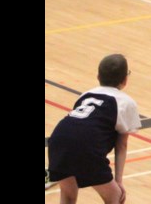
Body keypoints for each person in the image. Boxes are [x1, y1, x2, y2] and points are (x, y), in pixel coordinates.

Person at [46, 54, 141, 204]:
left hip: (57, 140)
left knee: (68, 195)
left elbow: (77, 125)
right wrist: (119, 181)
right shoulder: (126, 102)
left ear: (98, 76)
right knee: (115, 197)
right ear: (125, 80)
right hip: (86, 145)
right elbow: (121, 145)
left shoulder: (86, 95)